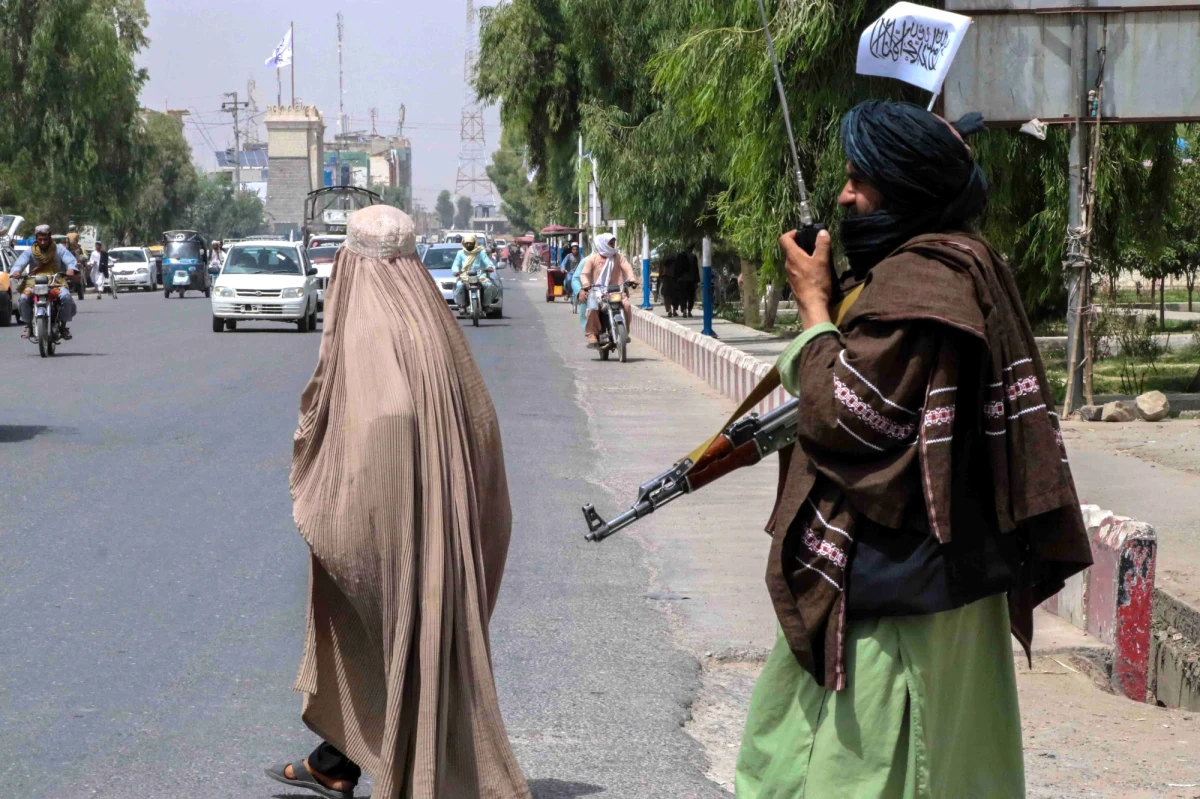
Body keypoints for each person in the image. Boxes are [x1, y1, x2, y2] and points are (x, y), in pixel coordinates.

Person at [734, 100, 1094, 798]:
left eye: (859, 180)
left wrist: (813, 309)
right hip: (957, 574)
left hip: (897, 581)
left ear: (903, 187)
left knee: (860, 764)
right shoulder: (967, 261)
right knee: (956, 756)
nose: (845, 197)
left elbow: (848, 418)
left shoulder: (916, 281)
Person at [267, 205, 530, 799]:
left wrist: (333, 504)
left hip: (395, 518)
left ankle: (366, 763)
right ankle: (339, 759)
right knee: (414, 629)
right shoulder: (434, 321)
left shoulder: (366, 323)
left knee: (391, 621)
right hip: (449, 513)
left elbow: (376, 421)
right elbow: (481, 421)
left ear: (353, 262)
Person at [10, 224, 80, 339]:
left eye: (45, 239)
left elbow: (70, 261)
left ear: (50, 237)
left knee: (66, 297)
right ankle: (28, 326)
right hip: (34, 282)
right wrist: (16, 271)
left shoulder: (59, 249)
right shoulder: (30, 251)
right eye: (40, 239)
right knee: (23, 299)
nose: (42, 242)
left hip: (55, 281)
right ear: (36, 238)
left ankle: (63, 326)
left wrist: (71, 269)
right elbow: (19, 263)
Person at [578, 232, 636, 347]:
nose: (613, 245)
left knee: (627, 305)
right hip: (597, 291)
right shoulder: (593, 259)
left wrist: (632, 279)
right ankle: (592, 334)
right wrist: (585, 284)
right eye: (610, 243)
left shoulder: (618, 257)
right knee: (593, 308)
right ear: (603, 244)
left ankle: (625, 331)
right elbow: (584, 274)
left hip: (616, 291)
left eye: (613, 243)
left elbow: (628, 268)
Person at [452, 232, 500, 316]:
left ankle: (486, 305)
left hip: (480, 275)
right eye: (467, 243)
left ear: (474, 243)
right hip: (465, 276)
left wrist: (490, 267)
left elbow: (487, 262)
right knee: (459, 286)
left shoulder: (480, 252)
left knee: (489, 285)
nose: (469, 245)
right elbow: (456, 264)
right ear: (463, 243)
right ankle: (462, 305)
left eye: (470, 243)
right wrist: (456, 271)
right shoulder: (460, 253)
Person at [676, 250, 700, 318]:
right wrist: (697, 280)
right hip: (691, 279)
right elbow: (696, 269)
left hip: (682, 280)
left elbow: (677, 268)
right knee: (691, 296)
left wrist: (676, 278)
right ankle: (689, 311)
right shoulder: (693, 256)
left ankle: (684, 310)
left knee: (682, 296)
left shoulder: (680, 256)